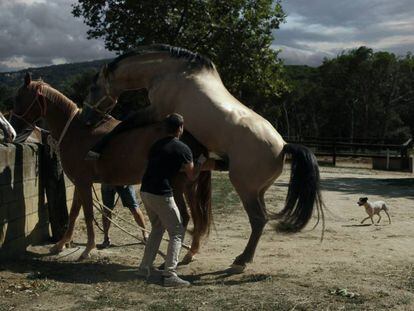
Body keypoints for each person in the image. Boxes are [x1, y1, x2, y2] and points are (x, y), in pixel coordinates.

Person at [137, 113, 209, 287]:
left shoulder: (155, 145)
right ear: (180, 128)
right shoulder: (183, 149)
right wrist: (200, 161)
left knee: (157, 228)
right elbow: (192, 176)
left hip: (146, 191)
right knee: (177, 231)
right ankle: (170, 275)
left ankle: (144, 268)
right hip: (162, 194)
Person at [98, 184, 147, 248]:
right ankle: (106, 239)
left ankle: (145, 234)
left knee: (134, 208)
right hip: (107, 182)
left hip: (123, 181)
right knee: (106, 210)